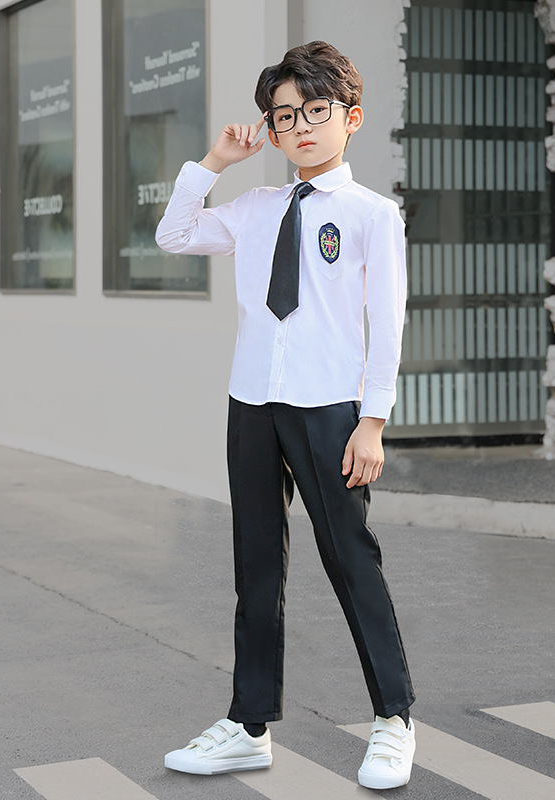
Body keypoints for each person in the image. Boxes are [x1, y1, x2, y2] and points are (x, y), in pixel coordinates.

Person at [155, 40, 415, 790]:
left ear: (351, 117)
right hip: (253, 407)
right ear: (270, 130)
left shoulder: (371, 216)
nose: (299, 126)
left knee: (350, 561)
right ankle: (247, 725)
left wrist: (374, 420)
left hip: (331, 411)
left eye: (315, 111)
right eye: (283, 116)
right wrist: (211, 164)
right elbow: (174, 234)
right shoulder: (255, 208)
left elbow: (386, 321)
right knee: (255, 567)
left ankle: (394, 719)